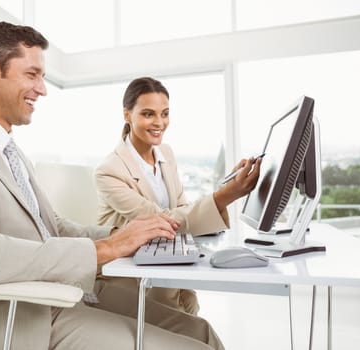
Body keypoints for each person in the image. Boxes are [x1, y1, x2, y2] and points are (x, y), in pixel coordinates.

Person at [0, 22, 224, 350]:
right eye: (32, 74)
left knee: (201, 333)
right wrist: (106, 250)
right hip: (12, 315)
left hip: (61, 295)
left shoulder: (11, 152)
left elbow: (54, 227)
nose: (42, 89)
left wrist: (125, 235)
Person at [94, 77, 261, 317]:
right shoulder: (109, 170)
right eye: (148, 114)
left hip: (166, 261)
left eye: (165, 113)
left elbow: (181, 206)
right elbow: (158, 221)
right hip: (128, 273)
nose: (159, 122)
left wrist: (225, 188)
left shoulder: (166, 153)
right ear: (127, 115)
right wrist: (224, 197)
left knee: (189, 307)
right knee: (183, 320)